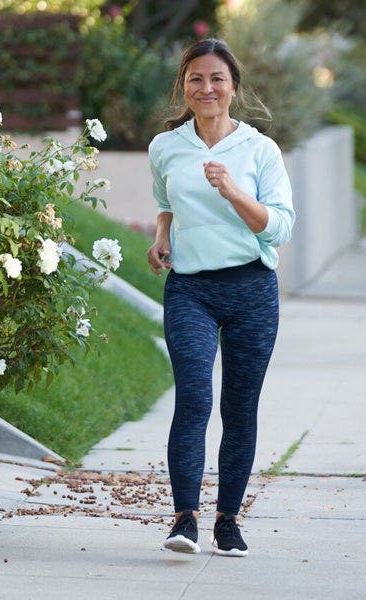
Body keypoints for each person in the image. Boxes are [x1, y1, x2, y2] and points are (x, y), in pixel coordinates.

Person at [147, 38, 295, 557]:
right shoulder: (165, 147)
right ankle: (184, 517)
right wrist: (162, 235)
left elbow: (279, 228)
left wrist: (234, 191)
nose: (206, 88)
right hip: (190, 289)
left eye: (216, 79)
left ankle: (227, 521)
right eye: (195, 79)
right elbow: (166, 201)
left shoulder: (259, 150)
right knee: (193, 396)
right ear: (183, 86)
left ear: (233, 87)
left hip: (252, 288)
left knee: (240, 406)